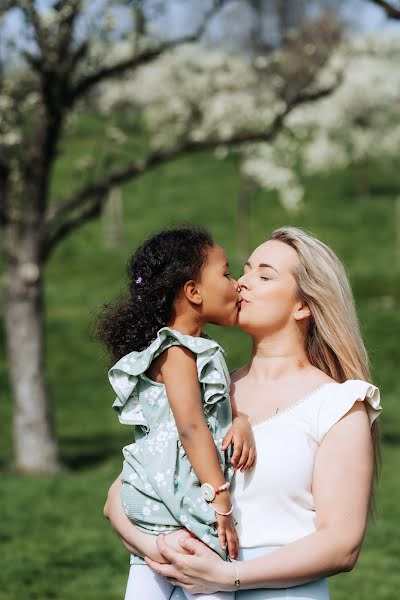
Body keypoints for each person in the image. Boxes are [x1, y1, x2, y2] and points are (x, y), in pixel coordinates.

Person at [104, 226, 382, 599]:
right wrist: (161, 550)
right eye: (243, 270)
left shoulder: (339, 405)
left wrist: (227, 576)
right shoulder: (205, 391)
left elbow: (341, 544)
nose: (241, 284)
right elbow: (119, 497)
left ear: (303, 305)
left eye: (264, 275)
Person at [93, 226, 257, 600]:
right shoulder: (177, 352)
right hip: (177, 504)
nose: (237, 285)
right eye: (227, 273)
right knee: (210, 587)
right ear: (193, 292)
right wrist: (221, 500)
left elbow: (214, 412)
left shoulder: (196, 349)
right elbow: (192, 427)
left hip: (160, 506)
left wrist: (241, 420)